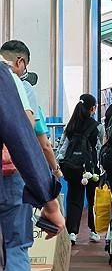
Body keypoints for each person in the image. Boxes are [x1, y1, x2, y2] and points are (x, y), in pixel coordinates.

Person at [0, 62, 65, 271]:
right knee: (17, 245)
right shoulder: (6, 77)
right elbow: (22, 135)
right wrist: (49, 202)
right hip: (9, 175)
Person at [0, 40, 63, 179]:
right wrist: (56, 169)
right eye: (25, 67)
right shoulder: (23, 86)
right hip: (13, 166)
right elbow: (37, 137)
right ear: (20, 62)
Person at [57, 94, 104, 245]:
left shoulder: (70, 126)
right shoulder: (97, 126)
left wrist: (60, 164)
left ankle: (72, 233)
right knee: (93, 200)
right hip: (91, 169)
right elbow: (99, 147)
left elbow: (62, 148)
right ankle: (94, 231)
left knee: (74, 199)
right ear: (92, 108)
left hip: (73, 168)